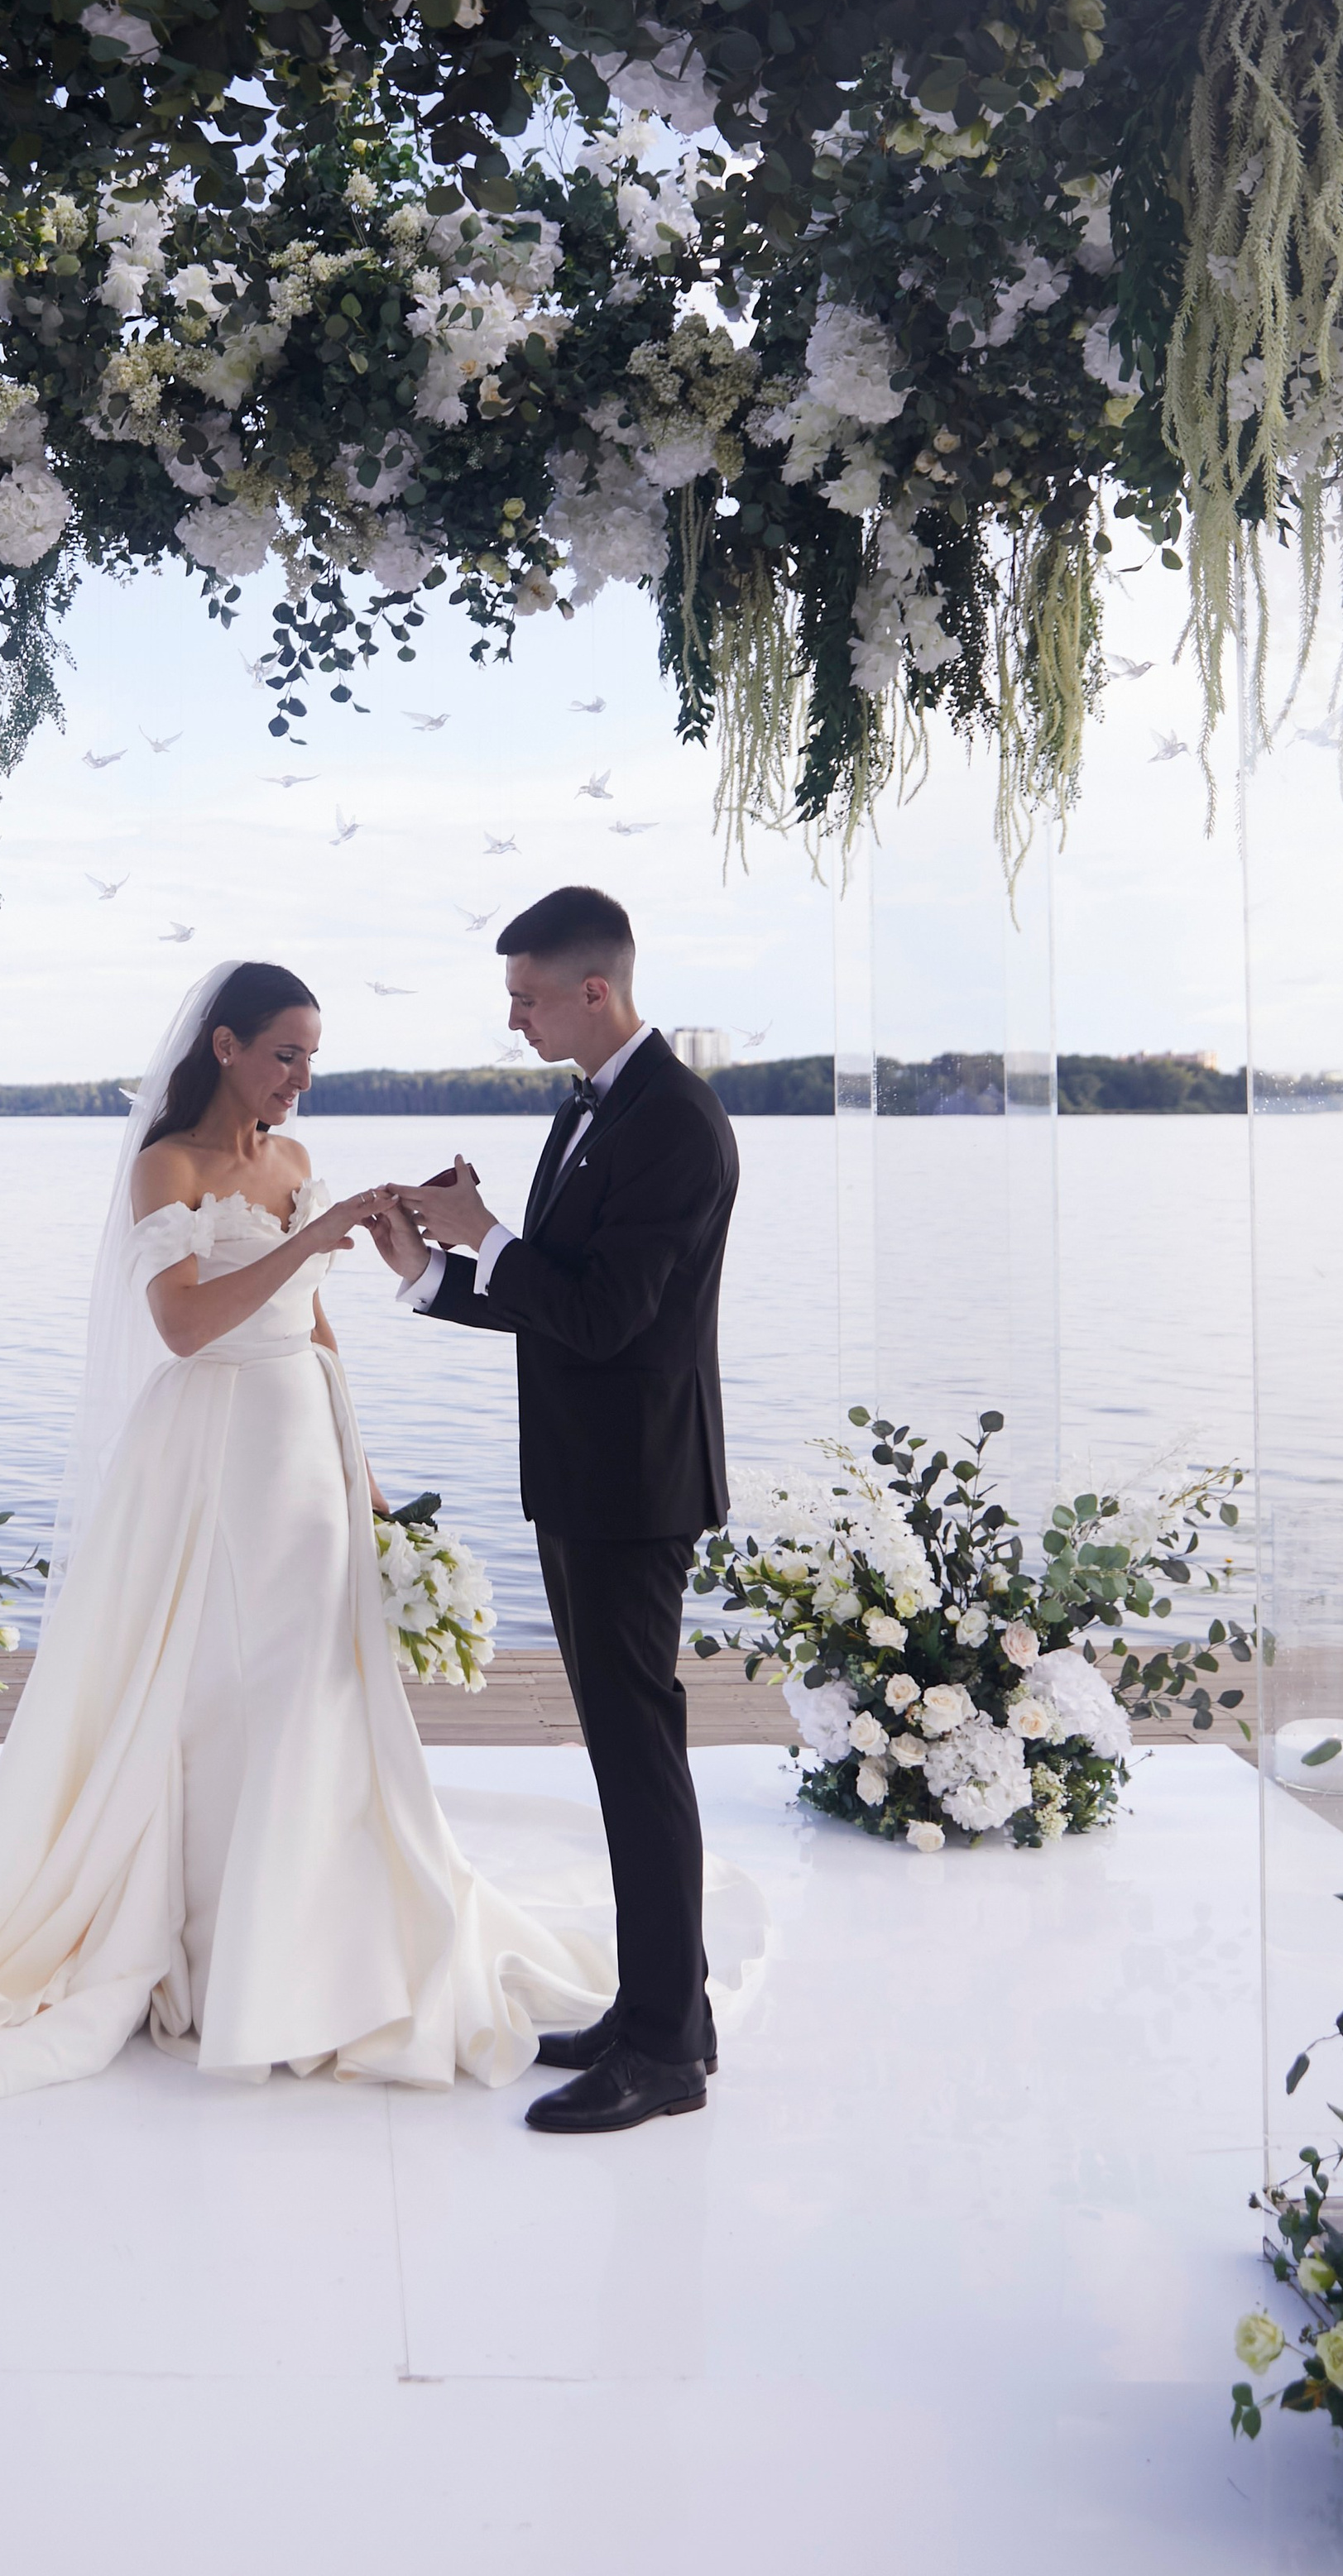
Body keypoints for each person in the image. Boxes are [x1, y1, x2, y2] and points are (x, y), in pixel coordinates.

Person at [0, 957, 614, 2125]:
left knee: (319, 1687)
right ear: (224, 1047)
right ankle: (220, 1941)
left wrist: (367, 1481)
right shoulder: (171, 1165)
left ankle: (327, 1931)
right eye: (285, 1054)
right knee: (220, 1689)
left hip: (305, 1440)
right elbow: (189, 1323)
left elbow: (316, 1327)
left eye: (313, 1057)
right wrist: (310, 1243)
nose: (301, 1079)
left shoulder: (296, 1164)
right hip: (215, 1451)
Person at [369, 886, 739, 2138]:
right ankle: (654, 2009)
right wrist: (429, 1269)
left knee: (641, 1760)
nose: (512, 1017)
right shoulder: (592, 1109)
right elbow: (555, 1298)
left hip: (637, 1486)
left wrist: (487, 1230)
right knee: (625, 1756)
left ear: (597, 989)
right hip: (585, 1474)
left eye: (527, 996)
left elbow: (604, 1316)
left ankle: (669, 2054)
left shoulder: (676, 1123)